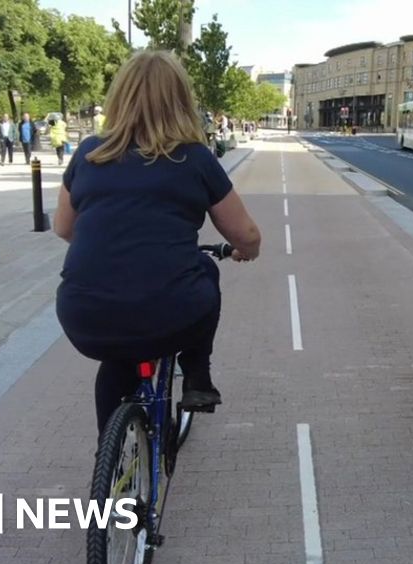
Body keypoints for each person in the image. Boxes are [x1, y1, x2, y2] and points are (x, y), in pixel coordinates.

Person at [53, 50, 262, 434]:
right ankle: (197, 376)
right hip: (169, 311)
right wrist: (248, 251)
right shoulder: (195, 158)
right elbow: (244, 234)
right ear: (181, 100)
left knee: (118, 360)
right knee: (205, 269)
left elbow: (64, 227)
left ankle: (110, 464)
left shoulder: (88, 153)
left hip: (84, 316)